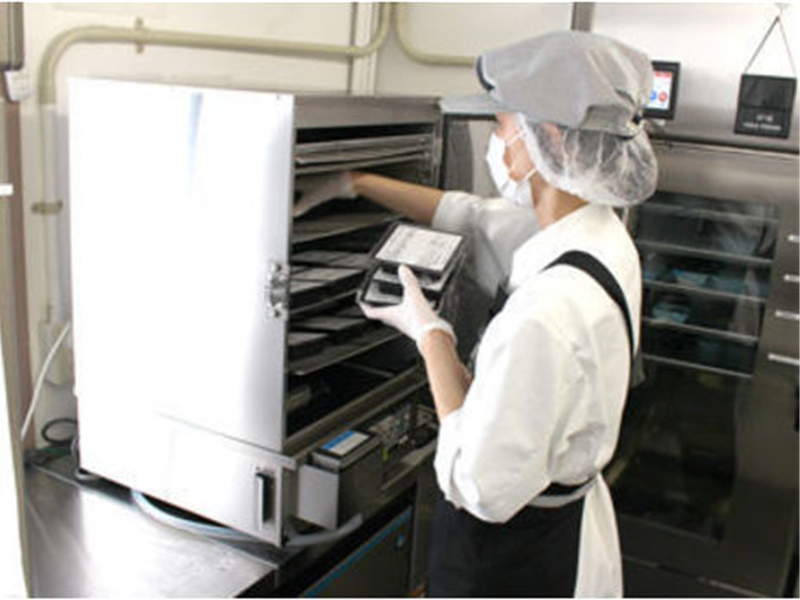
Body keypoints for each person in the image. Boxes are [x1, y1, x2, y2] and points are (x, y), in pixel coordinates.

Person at [295, 31, 657, 597]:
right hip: (563, 520)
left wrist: (430, 335)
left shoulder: (546, 311)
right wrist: (356, 182)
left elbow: (476, 482)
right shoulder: (601, 236)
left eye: (501, 124)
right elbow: (471, 216)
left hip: (517, 558)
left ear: (548, 137)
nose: (496, 139)